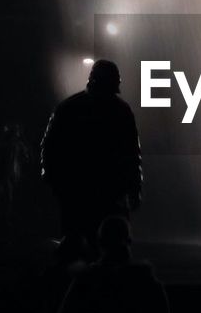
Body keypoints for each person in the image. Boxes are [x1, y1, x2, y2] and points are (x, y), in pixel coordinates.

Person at [40, 59, 142, 262]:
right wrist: (134, 188)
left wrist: (54, 180)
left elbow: (49, 148)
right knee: (109, 248)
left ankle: (67, 288)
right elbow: (131, 153)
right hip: (107, 191)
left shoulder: (69, 108)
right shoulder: (121, 110)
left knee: (74, 244)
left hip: (77, 190)